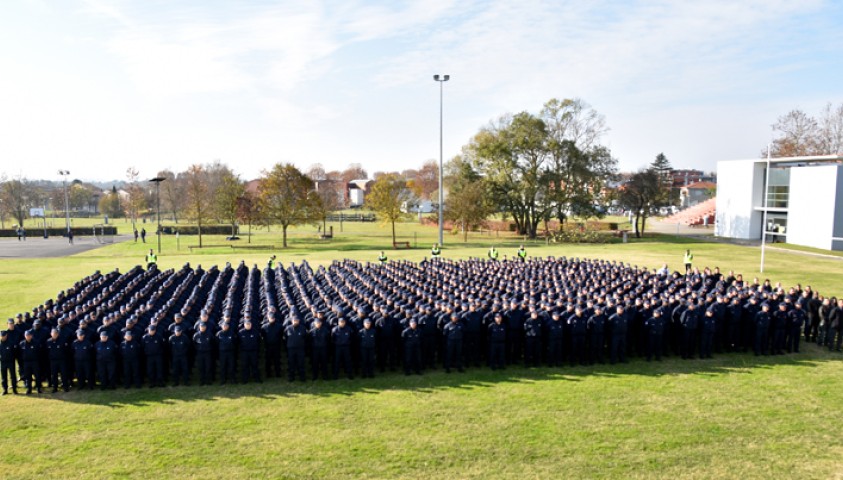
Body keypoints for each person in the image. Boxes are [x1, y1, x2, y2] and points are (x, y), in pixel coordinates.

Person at [284, 316, 307, 382]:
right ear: (292, 321)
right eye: (294, 321)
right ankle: (291, 377)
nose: (295, 322)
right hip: (291, 349)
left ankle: (302, 378)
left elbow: (305, 337)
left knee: (301, 363)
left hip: (300, 349)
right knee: (291, 363)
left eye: (297, 321)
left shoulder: (303, 328)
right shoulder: (288, 328)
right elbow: (285, 337)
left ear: (299, 321)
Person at [46, 328, 69, 392]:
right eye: (53, 334)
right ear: (51, 334)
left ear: (58, 334)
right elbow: (46, 351)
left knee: (64, 374)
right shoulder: (48, 341)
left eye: (56, 334)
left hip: (62, 360)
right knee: (54, 374)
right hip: (53, 361)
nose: (54, 335)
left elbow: (66, 350)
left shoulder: (62, 340)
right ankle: (55, 387)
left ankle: (65, 387)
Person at [20, 330, 41, 394]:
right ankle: (29, 389)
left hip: (34, 362)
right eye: (27, 335)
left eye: (29, 335)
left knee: (37, 376)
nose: (28, 337)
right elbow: (19, 354)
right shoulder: (22, 344)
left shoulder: (36, 343)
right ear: (25, 336)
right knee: (28, 376)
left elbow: (39, 353)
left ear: (31, 336)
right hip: (26, 363)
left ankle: (38, 388)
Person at [1, 330, 18, 395]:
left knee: (13, 376)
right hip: (3, 362)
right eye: (2, 336)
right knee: (4, 377)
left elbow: (14, 352)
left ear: (6, 336)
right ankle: (5, 389)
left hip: (11, 362)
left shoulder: (11, 343)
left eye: (4, 336)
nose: (3, 337)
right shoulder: (0, 344)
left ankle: (14, 389)